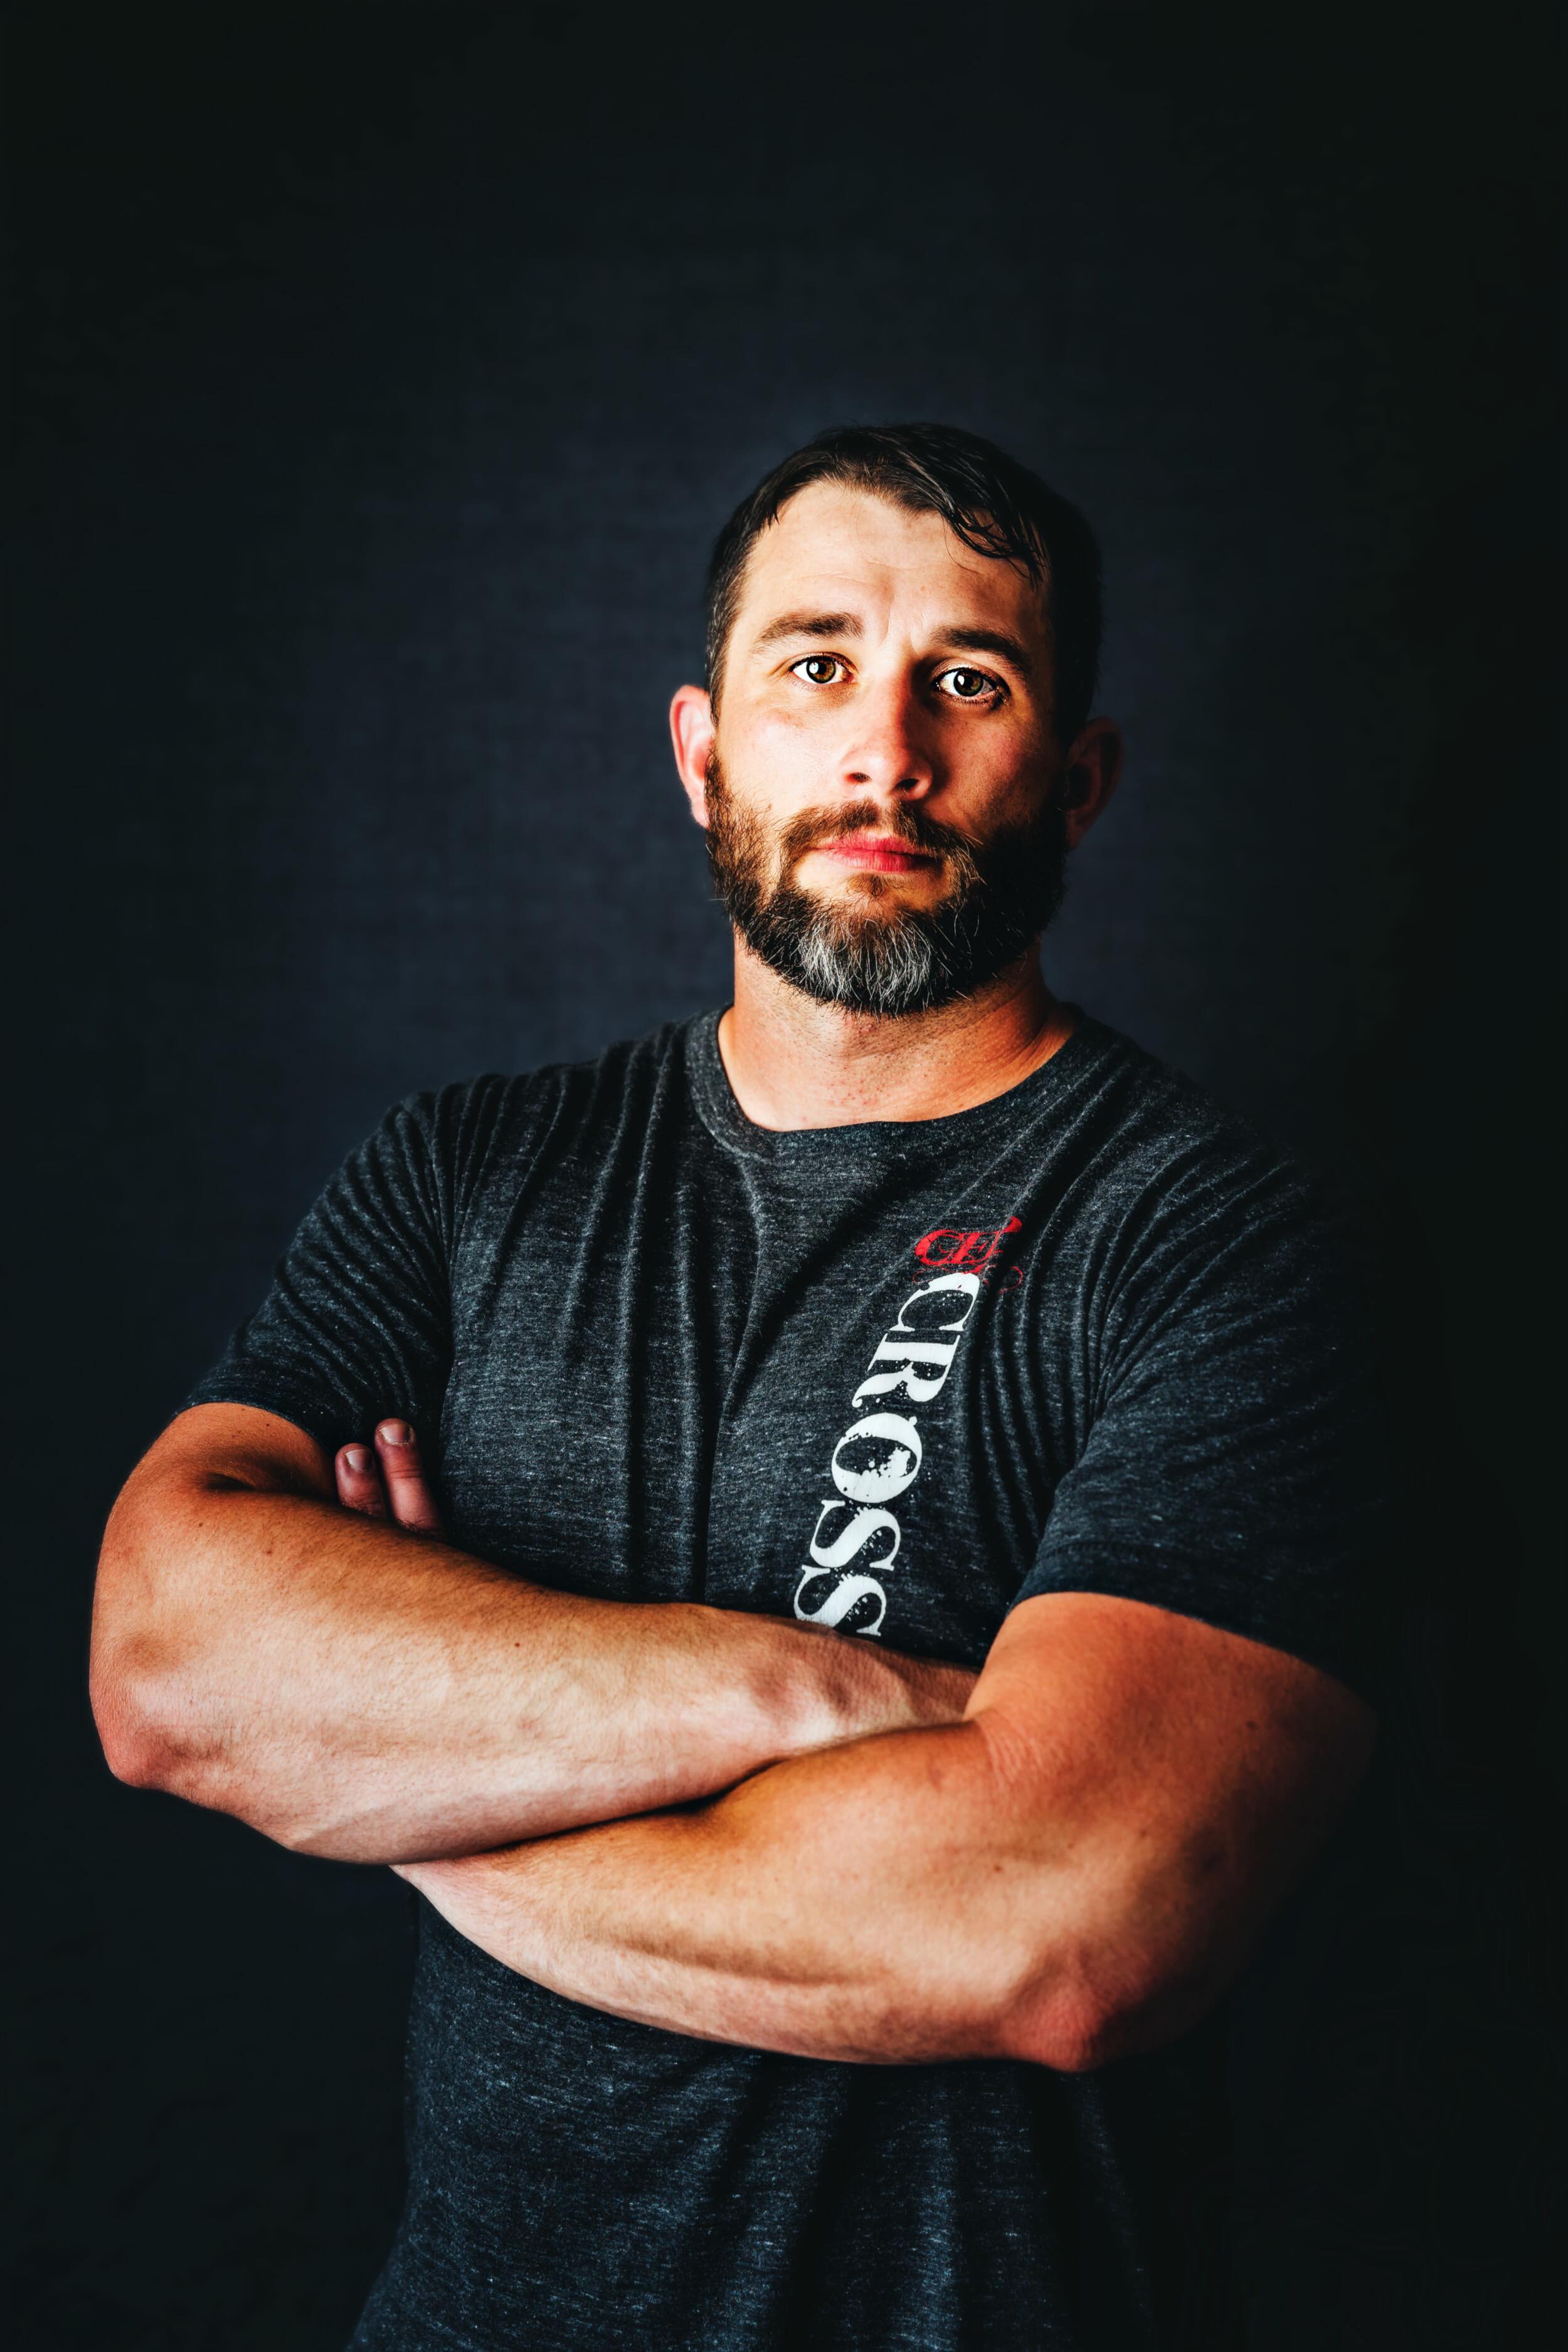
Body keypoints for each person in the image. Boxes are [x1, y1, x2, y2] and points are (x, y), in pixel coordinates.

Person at [89, 423, 1392, 2351]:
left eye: (969, 680)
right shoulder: (465, 1176)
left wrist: (400, 1777)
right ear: (702, 750)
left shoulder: (1214, 1244)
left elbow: (1060, 1926)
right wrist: (815, 1690)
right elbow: (165, 1661)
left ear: (1079, 778)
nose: (885, 750)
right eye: (816, 665)